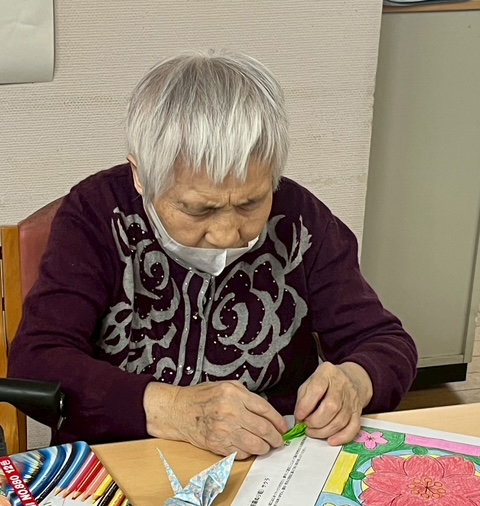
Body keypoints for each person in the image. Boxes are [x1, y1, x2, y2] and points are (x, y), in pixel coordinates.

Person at [8, 51, 417, 458]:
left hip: (271, 461)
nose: (227, 235)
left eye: (251, 203)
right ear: (141, 175)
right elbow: (37, 363)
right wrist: (174, 409)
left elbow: (385, 342)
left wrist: (355, 381)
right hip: (121, 462)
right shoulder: (96, 215)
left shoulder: (302, 222)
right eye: (198, 210)